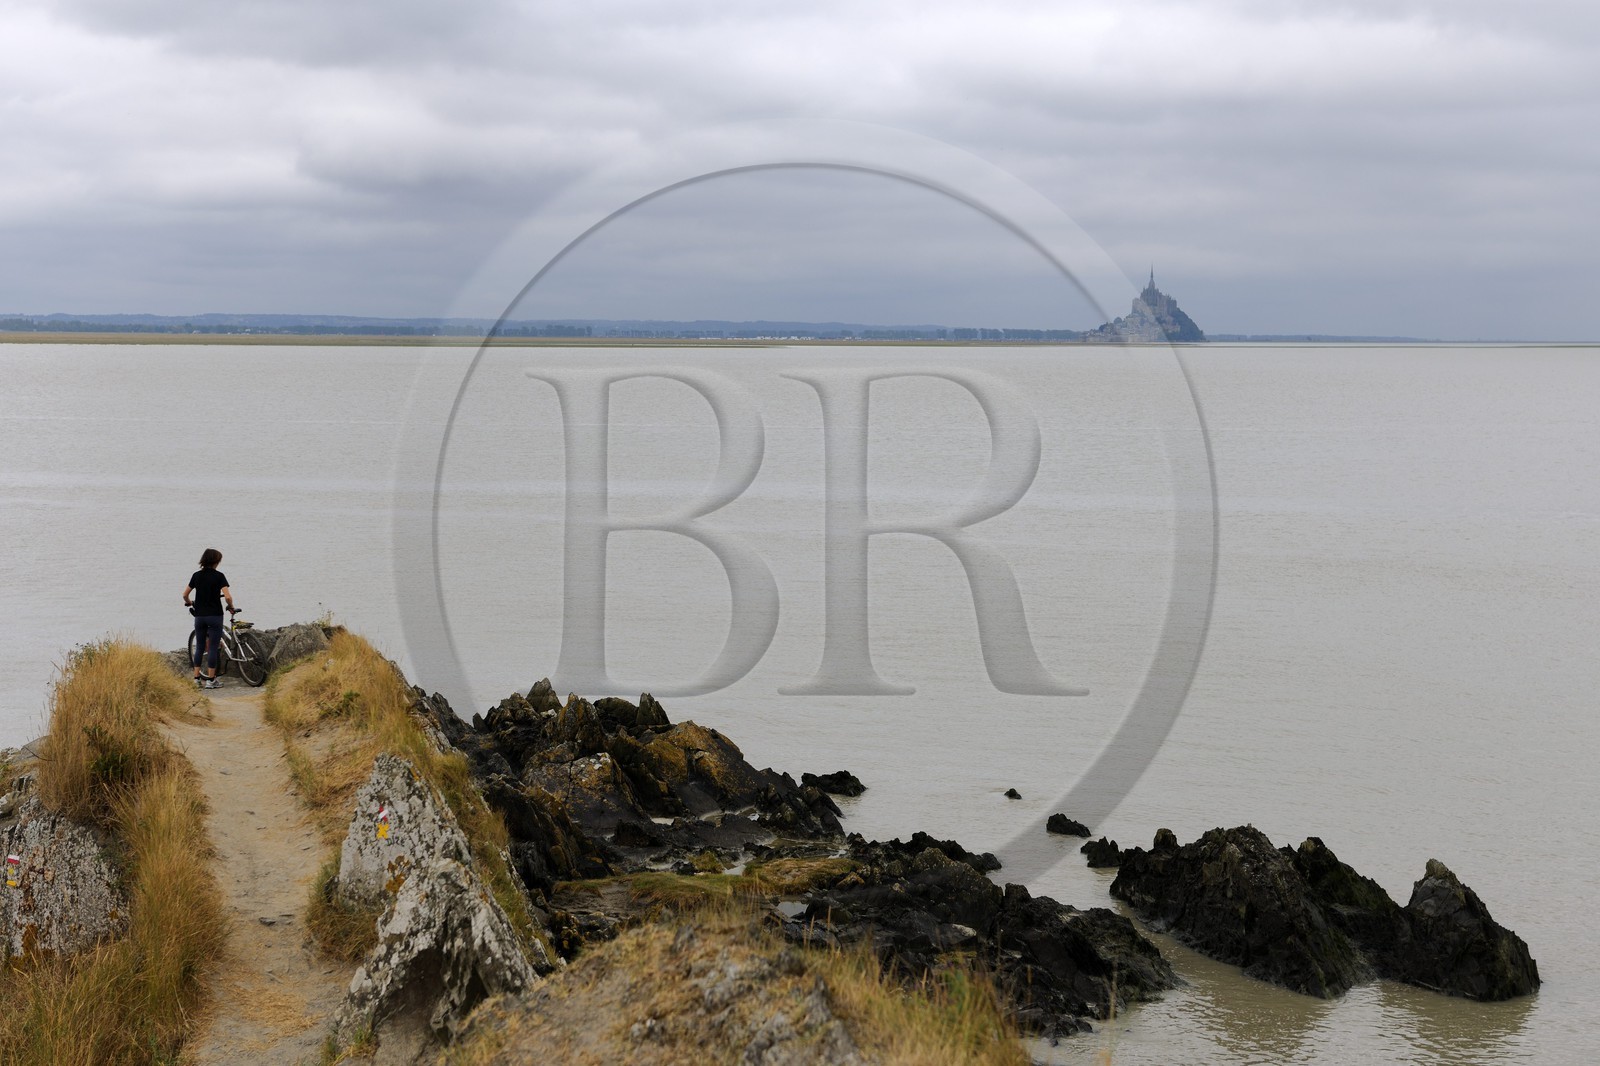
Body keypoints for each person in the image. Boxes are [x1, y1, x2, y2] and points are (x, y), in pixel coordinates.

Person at [183, 547, 236, 689]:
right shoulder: (219, 576)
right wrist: (230, 605)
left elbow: (184, 594)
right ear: (216, 561)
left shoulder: (196, 575)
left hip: (200, 616)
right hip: (215, 615)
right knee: (213, 647)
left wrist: (189, 602)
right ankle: (211, 681)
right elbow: (228, 596)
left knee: (200, 646)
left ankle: (196, 679)